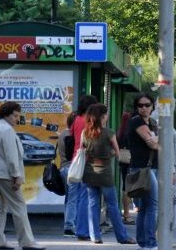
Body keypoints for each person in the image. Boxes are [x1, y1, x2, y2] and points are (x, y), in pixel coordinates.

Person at [0, 101, 45, 250]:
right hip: (6, 174)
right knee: (19, 206)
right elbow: (11, 157)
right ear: (6, 115)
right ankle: (27, 242)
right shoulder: (7, 131)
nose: (17, 119)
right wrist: (16, 176)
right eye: (15, 116)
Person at [81, 103, 136, 245]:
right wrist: (109, 154)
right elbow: (117, 153)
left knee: (93, 204)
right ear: (103, 117)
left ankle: (95, 236)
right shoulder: (109, 133)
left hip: (89, 172)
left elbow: (82, 151)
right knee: (112, 205)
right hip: (104, 173)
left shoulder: (85, 132)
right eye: (106, 114)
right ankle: (122, 237)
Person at [127, 93, 159, 250]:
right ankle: (150, 243)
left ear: (152, 106)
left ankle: (144, 242)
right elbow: (153, 145)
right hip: (141, 168)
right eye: (141, 105)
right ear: (136, 107)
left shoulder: (152, 123)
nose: (144, 108)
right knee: (152, 206)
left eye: (147, 105)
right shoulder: (136, 121)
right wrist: (161, 143)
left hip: (149, 168)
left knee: (145, 207)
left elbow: (154, 142)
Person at [71, 94, 98, 241]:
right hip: (86, 161)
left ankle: (81, 228)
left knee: (81, 196)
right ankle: (83, 230)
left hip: (77, 159)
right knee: (85, 197)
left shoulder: (76, 120)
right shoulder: (87, 122)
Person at [57, 112, 76, 236]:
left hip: (63, 168)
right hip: (72, 168)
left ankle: (68, 223)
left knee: (69, 198)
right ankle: (69, 225)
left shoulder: (62, 134)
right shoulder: (72, 135)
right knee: (73, 198)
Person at [116, 111, 134, 225]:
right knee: (130, 188)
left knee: (125, 188)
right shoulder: (130, 132)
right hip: (131, 161)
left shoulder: (120, 132)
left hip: (123, 162)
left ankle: (126, 213)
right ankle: (127, 214)